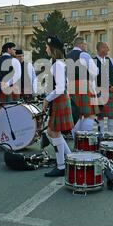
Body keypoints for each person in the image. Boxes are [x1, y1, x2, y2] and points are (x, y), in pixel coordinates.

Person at [42, 36, 74, 177]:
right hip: (59, 100)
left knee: (53, 132)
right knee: (53, 132)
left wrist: (47, 99)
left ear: (53, 49)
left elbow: (60, 87)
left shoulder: (58, 65)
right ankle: (69, 158)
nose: (46, 49)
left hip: (59, 99)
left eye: (47, 47)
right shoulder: (56, 63)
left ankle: (61, 166)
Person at [66, 37, 100, 138]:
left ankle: (75, 138)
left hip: (71, 86)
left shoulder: (66, 56)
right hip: (85, 85)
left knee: (76, 114)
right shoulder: (84, 55)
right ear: (80, 45)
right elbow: (94, 71)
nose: (86, 46)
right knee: (90, 114)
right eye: (85, 44)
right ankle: (84, 138)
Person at [94, 42, 113, 135]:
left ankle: (110, 134)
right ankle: (101, 135)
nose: (108, 49)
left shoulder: (111, 60)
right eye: (106, 47)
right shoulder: (93, 61)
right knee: (100, 115)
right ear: (101, 49)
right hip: (99, 91)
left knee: (111, 115)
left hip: (110, 90)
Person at [0, 42, 22, 107]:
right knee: (12, 111)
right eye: (14, 49)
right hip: (11, 88)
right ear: (8, 49)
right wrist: (6, 84)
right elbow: (17, 76)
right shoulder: (15, 60)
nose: (15, 51)